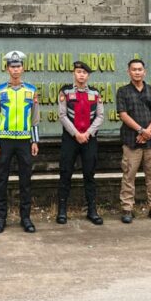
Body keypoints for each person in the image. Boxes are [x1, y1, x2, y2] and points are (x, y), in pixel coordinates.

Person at [0, 50, 40, 234]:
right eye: (12, 66)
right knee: (2, 180)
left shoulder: (31, 90)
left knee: (25, 180)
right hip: (4, 141)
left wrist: (35, 141)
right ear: (7, 68)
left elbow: (35, 118)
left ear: (23, 68)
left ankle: (25, 218)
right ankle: (1, 218)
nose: (16, 69)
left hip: (25, 141)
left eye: (18, 66)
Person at [116, 59, 151, 225]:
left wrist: (147, 133)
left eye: (140, 69)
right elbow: (123, 115)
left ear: (144, 72)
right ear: (128, 72)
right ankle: (127, 209)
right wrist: (140, 130)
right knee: (128, 176)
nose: (137, 72)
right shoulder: (123, 92)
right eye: (134, 69)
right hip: (131, 142)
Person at [56, 60, 105, 226]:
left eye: (84, 72)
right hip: (70, 139)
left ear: (88, 75)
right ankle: (62, 210)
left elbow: (100, 116)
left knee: (89, 174)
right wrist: (76, 134)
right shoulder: (65, 91)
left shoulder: (95, 93)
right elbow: (62, 115)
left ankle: (92, 210)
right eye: (78, 72)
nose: (81, 75)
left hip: (89, 139)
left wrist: (88, 133)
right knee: (65, 173)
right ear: (74, 74)